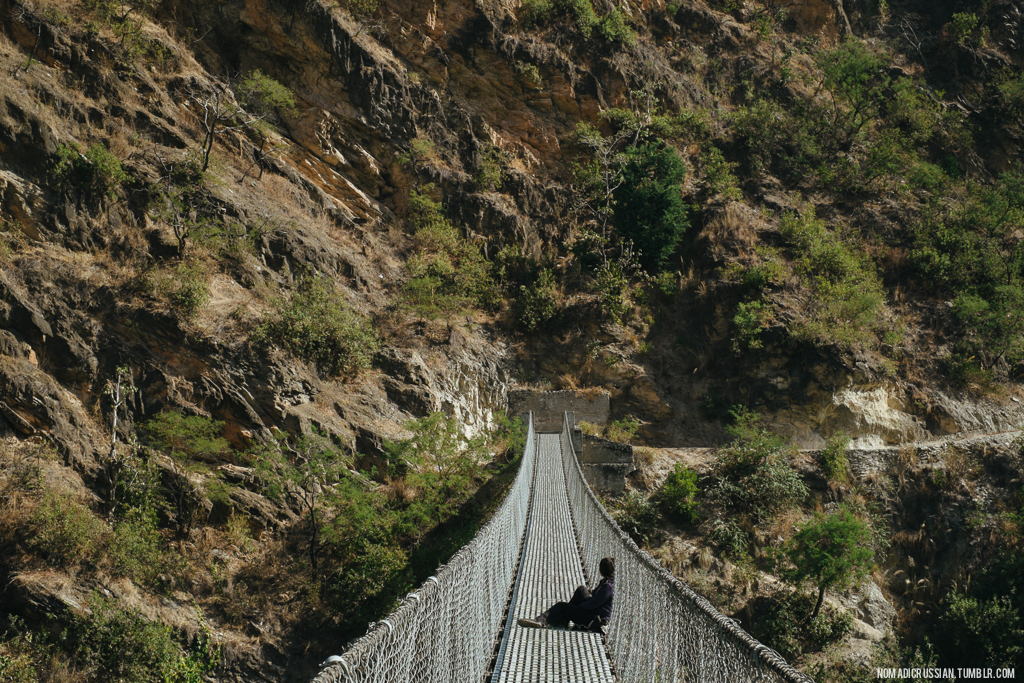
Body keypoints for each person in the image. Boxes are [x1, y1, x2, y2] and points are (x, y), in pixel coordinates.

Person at [517, 557, 614, 632]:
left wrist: (577, 608)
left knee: (562, 606)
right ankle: (564, 620)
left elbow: (593, 604)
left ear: (601, 570)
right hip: (593, 612)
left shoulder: (608, 587)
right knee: (581, 590)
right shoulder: (608, 583)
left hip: (594, 620)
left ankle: (540, 620)